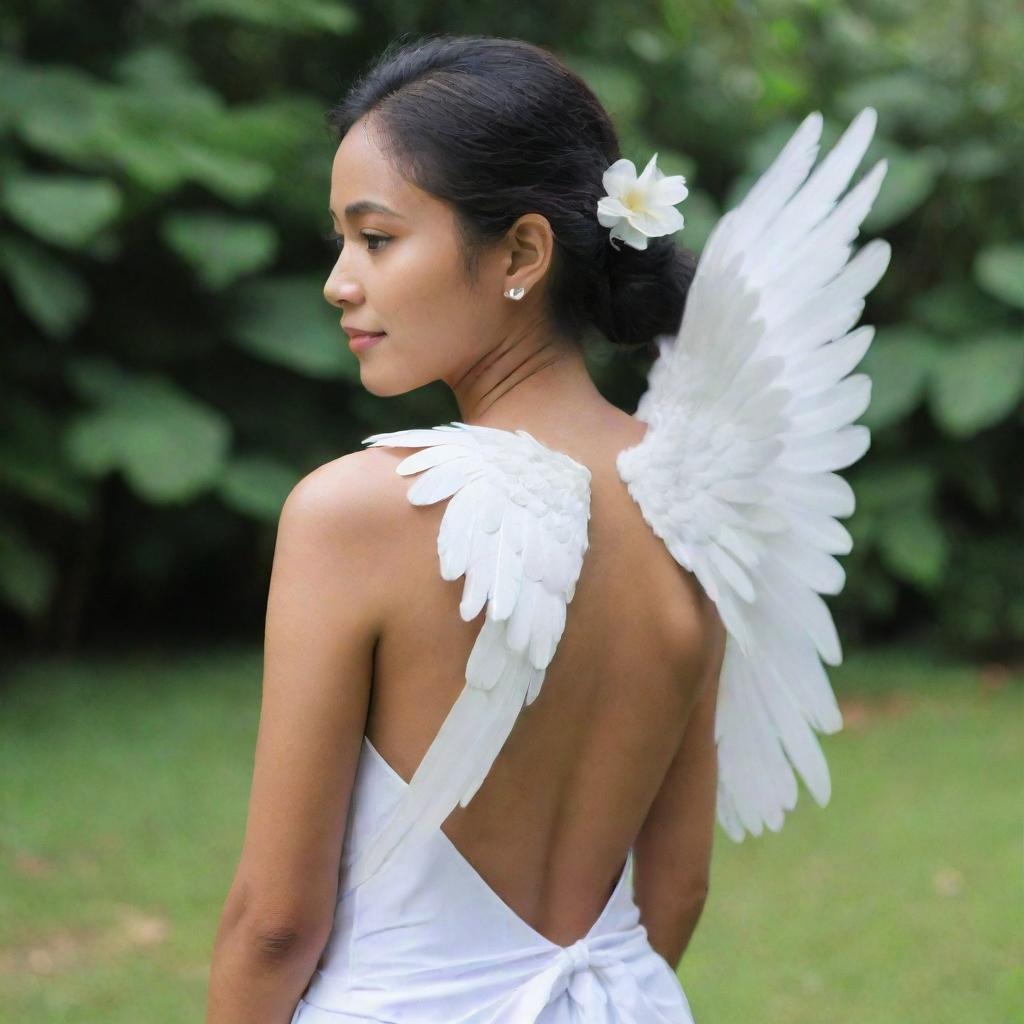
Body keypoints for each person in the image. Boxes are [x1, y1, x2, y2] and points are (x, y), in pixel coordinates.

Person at [206, 32, 889, 1024]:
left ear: (523, 250)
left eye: (379, 238)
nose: (340, 281)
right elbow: (676, 888)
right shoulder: (698, 508)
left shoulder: (356, 514)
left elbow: (274, 922)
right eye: (341, 243)